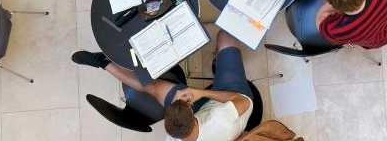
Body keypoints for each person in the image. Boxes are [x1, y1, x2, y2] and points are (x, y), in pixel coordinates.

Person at [72, 31, 254, 140]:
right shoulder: (220, 119)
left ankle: (102, 62)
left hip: (220, 106)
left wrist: (197, 95)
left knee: (152, 88)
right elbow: (243, 101)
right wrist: (200, 93)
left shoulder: (175, 136)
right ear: (192, 112)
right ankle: (219, 60)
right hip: (236, 96)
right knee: (225, 36)